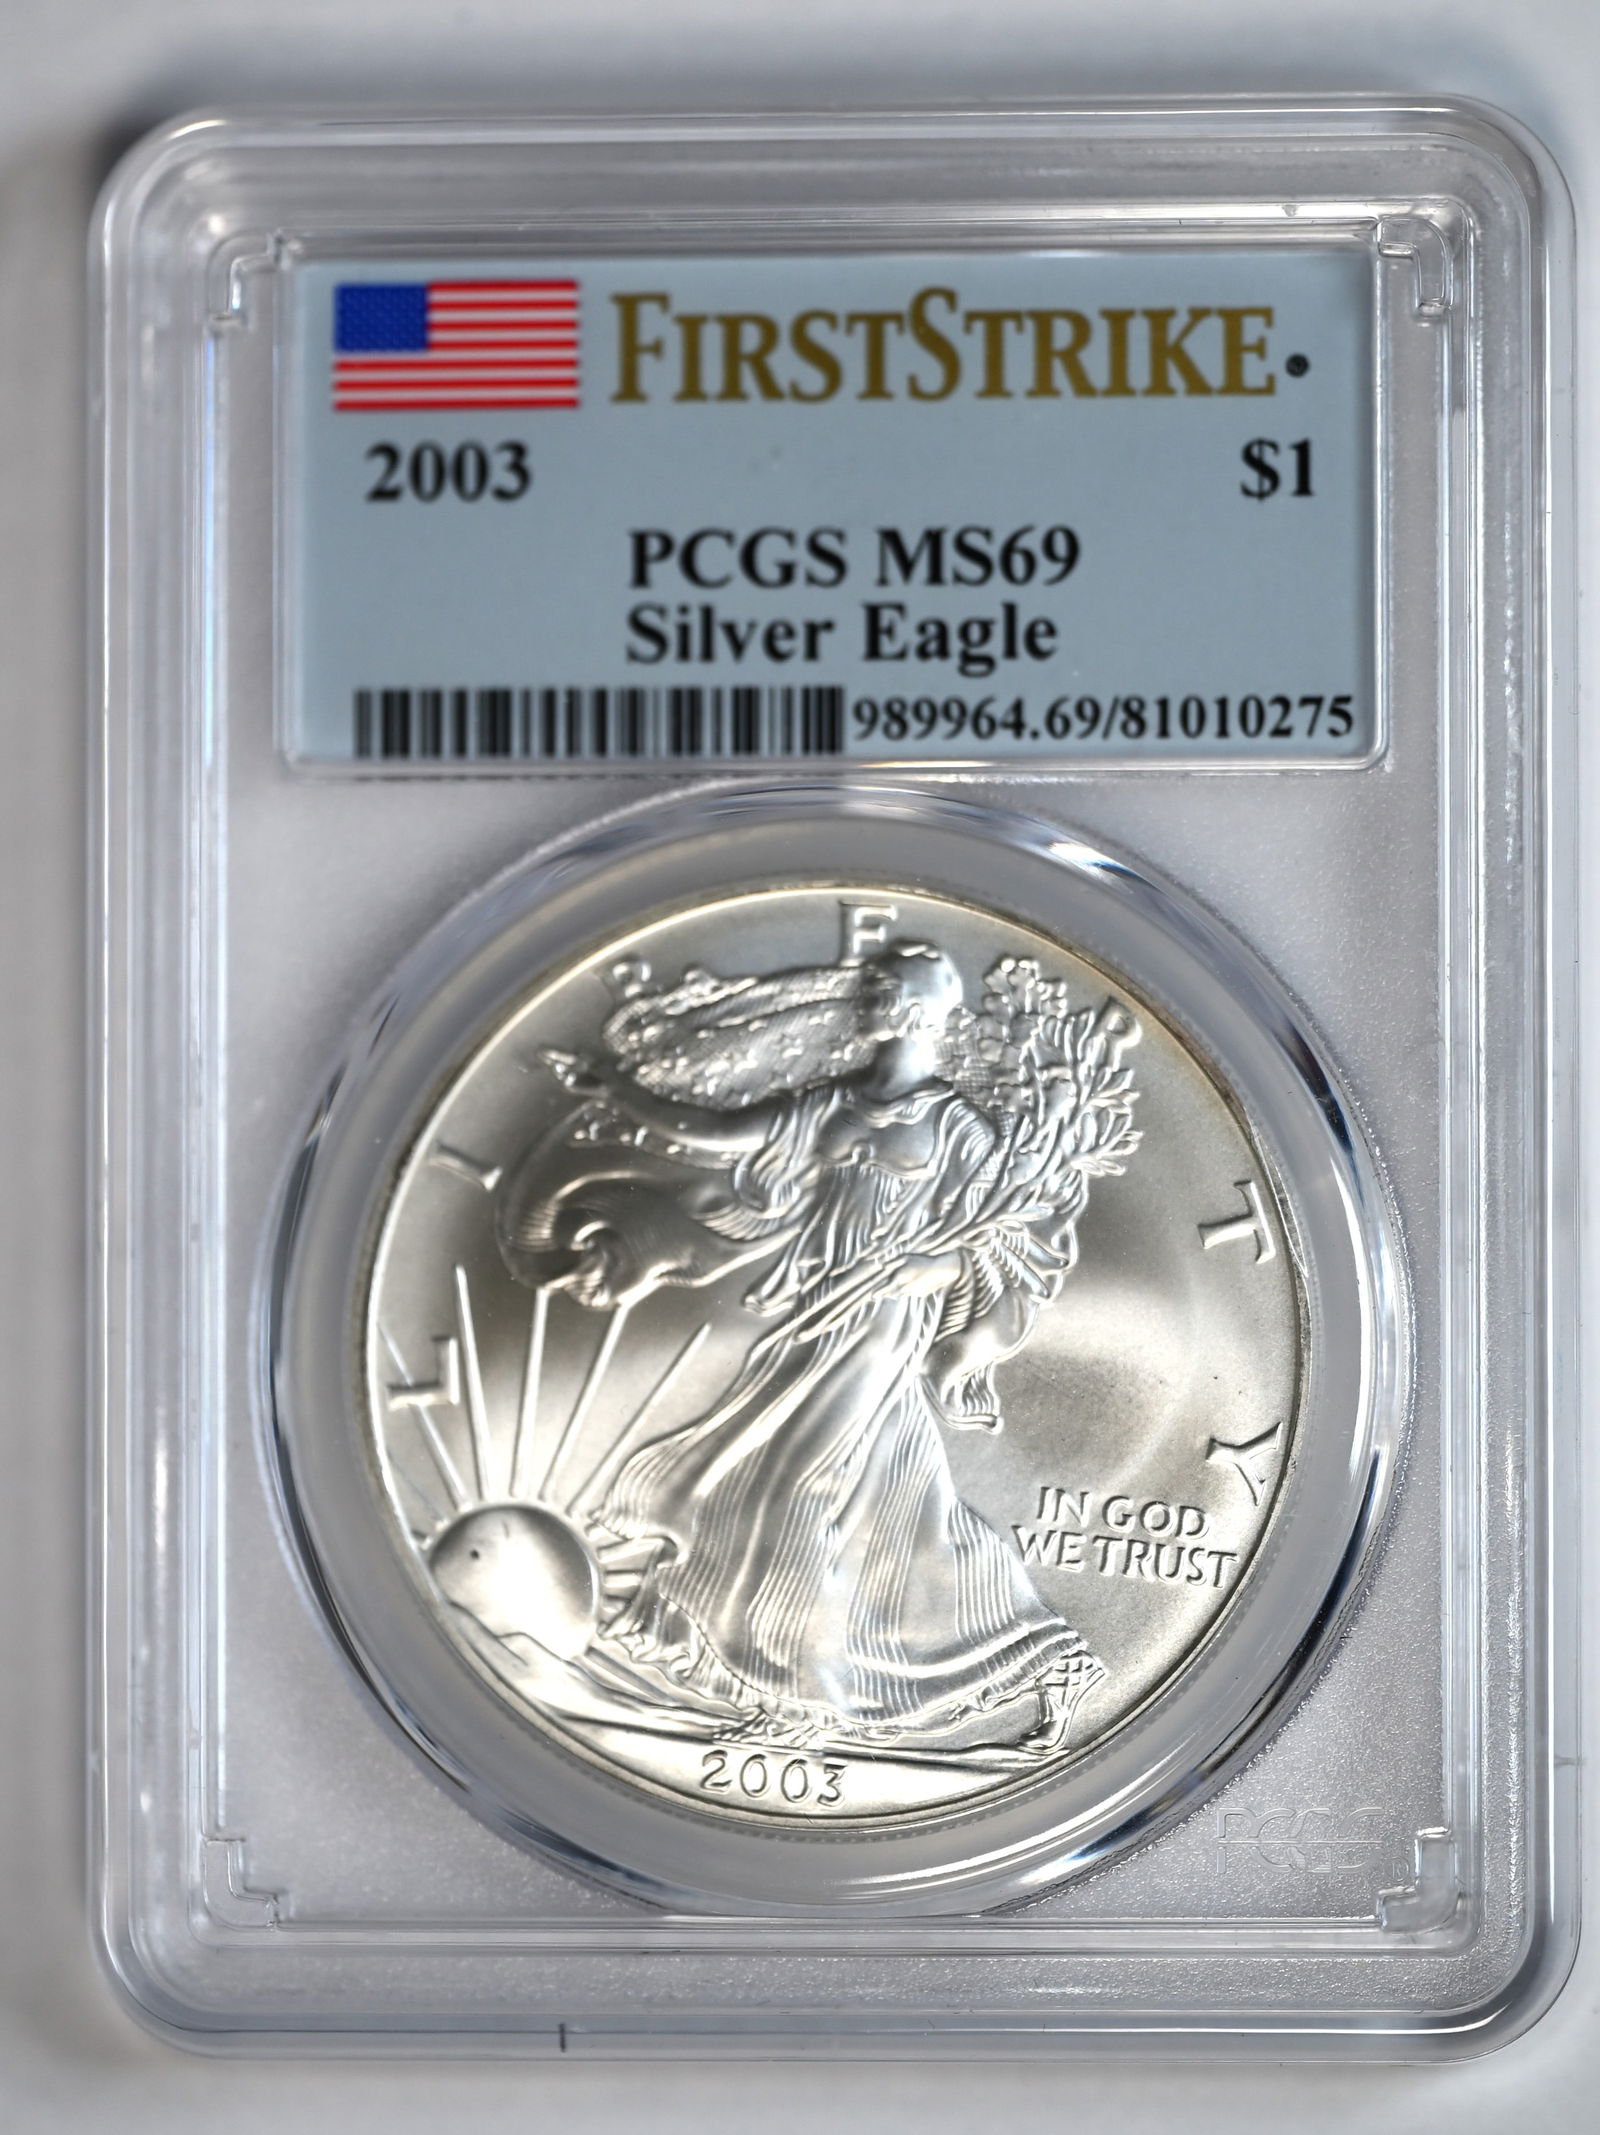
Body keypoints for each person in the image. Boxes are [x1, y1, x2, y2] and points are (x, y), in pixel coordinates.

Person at [515, 940, 1113, 1761]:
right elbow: (721, 1132)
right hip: (816, 1319)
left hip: (883, 1325)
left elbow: (996, 1245)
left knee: (800, 1485)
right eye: (872, 987)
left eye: (881, 989)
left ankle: (808, 1694)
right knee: (889, 1506)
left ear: (915, 1010)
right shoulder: (833, 1103)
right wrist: (619, 1089)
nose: (864, 998)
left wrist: (922, 1267)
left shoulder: (956, 1127)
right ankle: (1044, 1658)